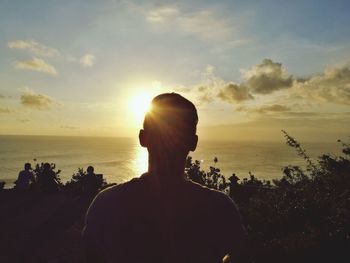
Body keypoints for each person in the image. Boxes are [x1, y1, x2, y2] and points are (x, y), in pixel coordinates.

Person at [83, 93, 247, 263]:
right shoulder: (220, 208)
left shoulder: (106, 204)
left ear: (143, 138)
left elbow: (91, 255)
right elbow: (240, 255)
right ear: (193, 142)